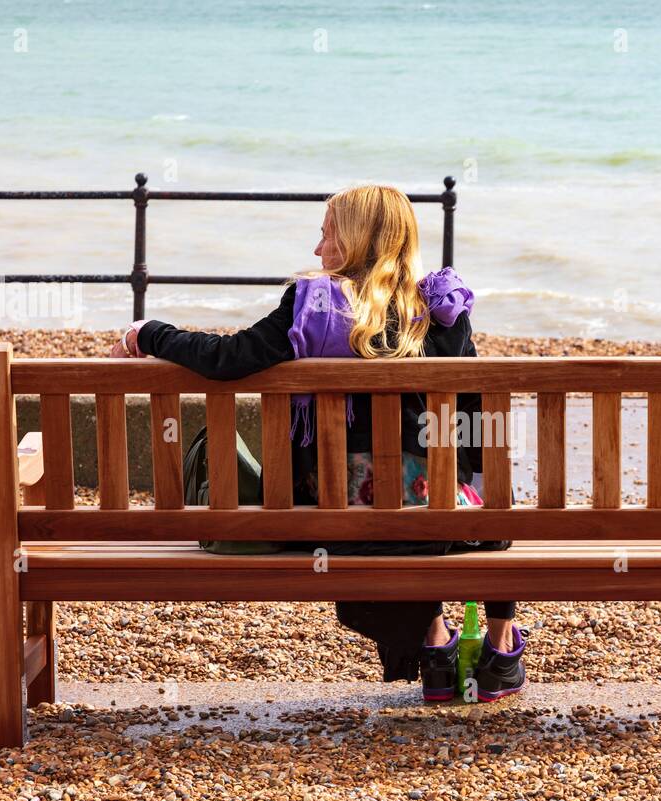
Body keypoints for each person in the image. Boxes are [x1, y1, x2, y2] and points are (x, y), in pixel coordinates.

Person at [110, 184, 526, 702]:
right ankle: (501, 642)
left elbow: (227, 358)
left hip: (335, 522)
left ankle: (435, 643)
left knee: (389, 502)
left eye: (325, 234)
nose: (316, 250)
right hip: (438, 518)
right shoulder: (441, 308)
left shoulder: (312, 307)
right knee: (488, 500)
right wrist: (485, 500)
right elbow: (472, 416)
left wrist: (148, 333)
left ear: (352, 240)